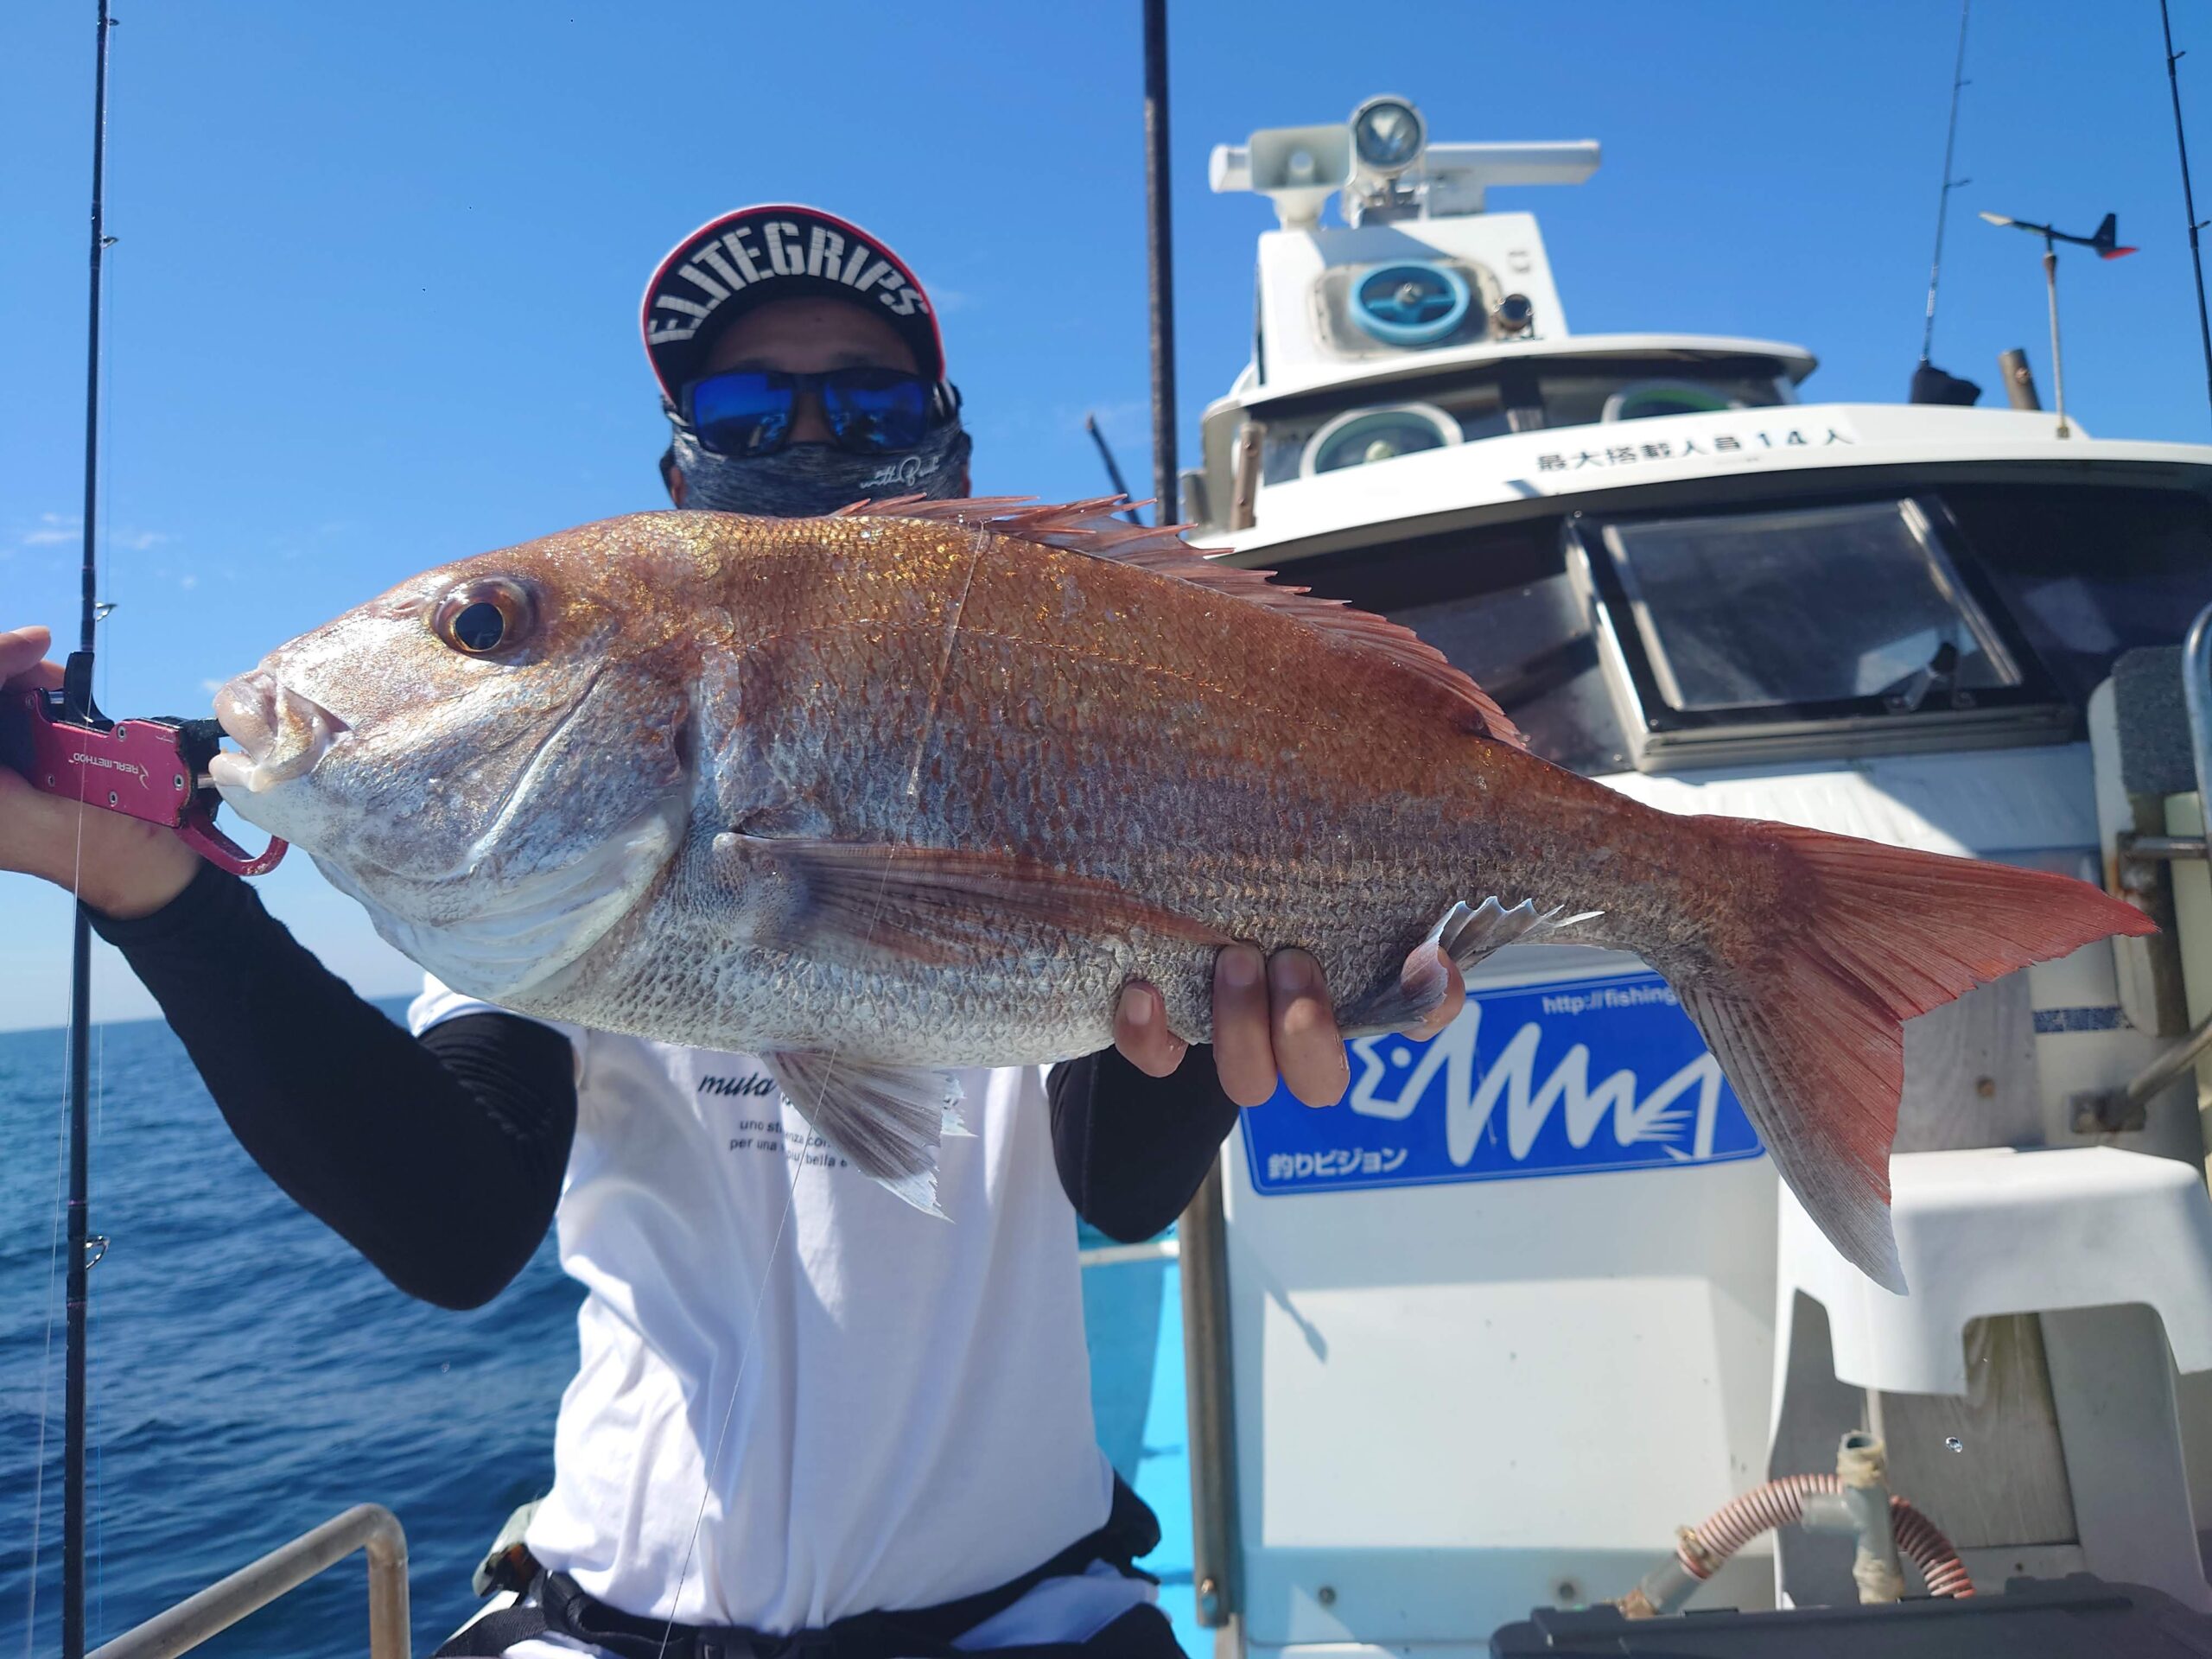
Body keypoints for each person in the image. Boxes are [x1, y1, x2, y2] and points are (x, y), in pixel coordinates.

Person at [0, 204, 1461, 1659]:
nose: (811, 436)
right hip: (616, 1622)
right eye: (748, 405)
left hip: (1033, 1616)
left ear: (944, 441)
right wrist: (160, 899)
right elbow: (451, 1230)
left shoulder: (1052, 715)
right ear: (680, 467)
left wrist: (1225, 1036)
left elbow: (1116, 1185)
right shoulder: (541, 855)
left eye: (871, 398)